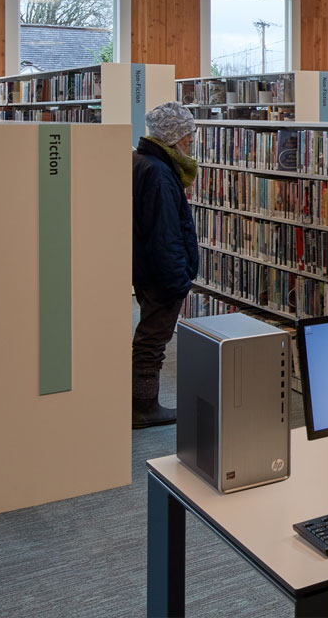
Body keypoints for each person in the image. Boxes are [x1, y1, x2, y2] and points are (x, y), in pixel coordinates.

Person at [132, 101, 199, 428]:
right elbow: (165, 232)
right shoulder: (158, 171)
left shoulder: (145, 160)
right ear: (174, 137)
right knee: (152, 341)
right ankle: (144, 406)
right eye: (187, 134)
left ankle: (142, 403)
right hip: (161, 274)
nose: (191, 140)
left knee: (149, 337)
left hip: (148, 269)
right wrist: (178, 280)